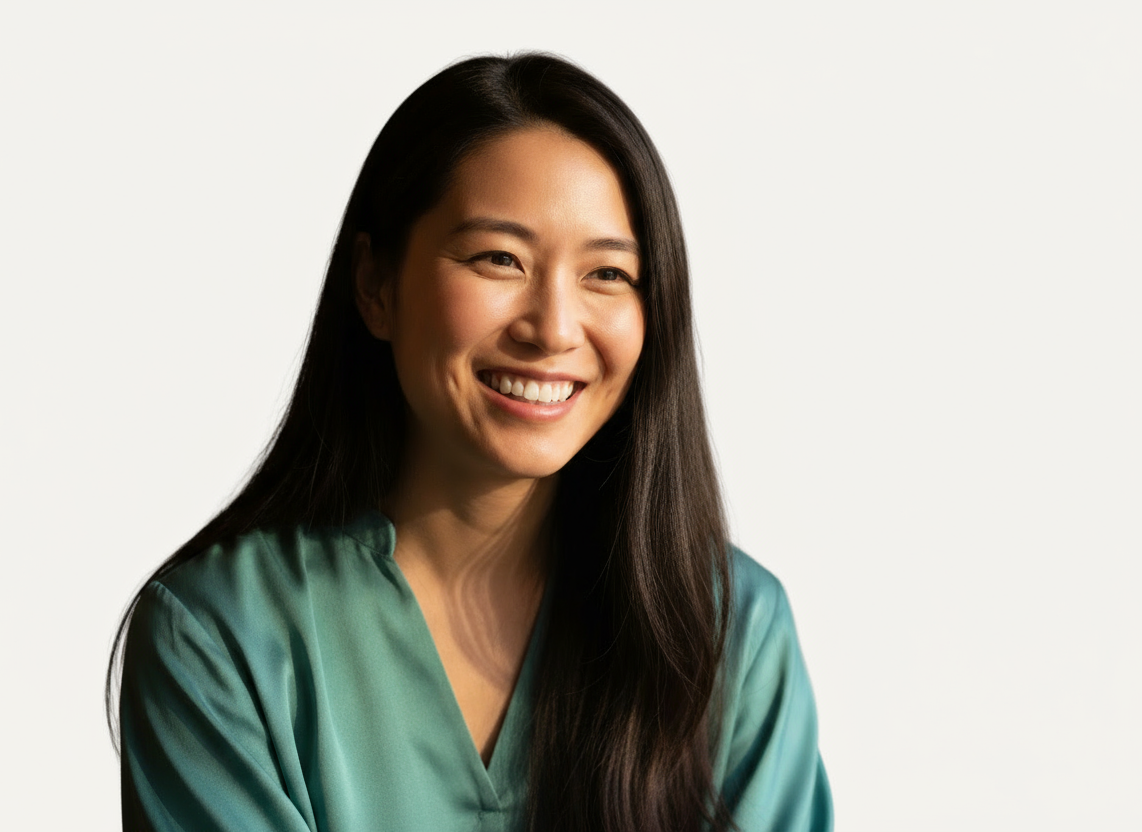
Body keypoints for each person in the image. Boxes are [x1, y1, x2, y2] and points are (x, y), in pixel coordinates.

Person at [109, 52, 832, 832]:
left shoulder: (731, 631)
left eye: (608, 274)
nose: (553, 328)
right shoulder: (219, 639)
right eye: (499, 260)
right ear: (375, 285)